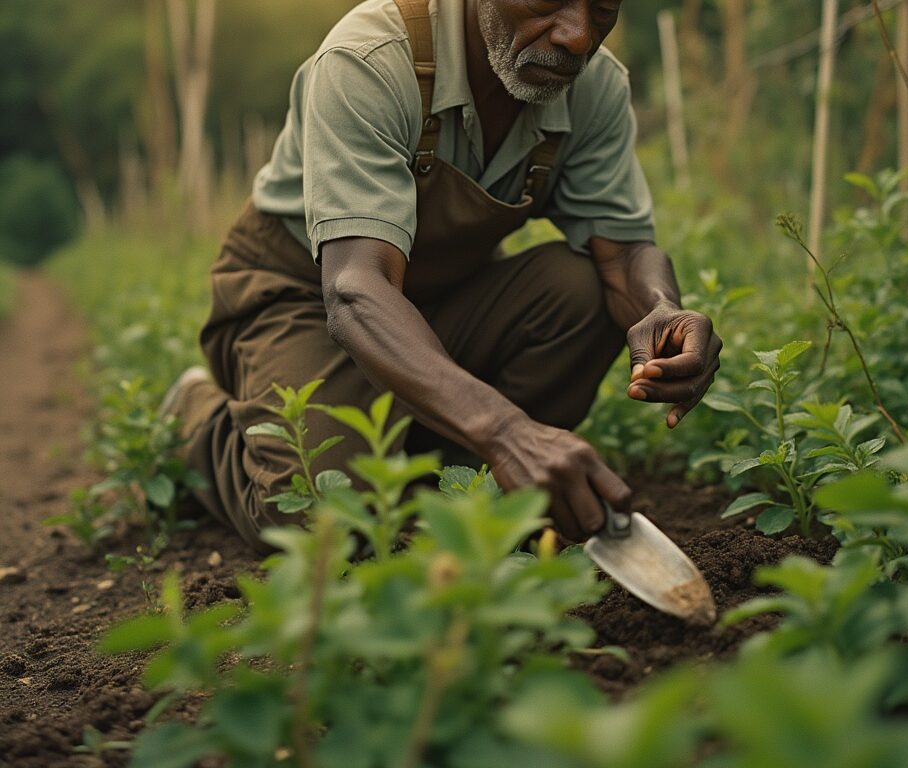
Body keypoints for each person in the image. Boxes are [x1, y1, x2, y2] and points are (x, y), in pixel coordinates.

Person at [164, 0, 723, 552]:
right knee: (323, 515)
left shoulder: (593, 85)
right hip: (300, 297)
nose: (578, 36)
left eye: (601, 7)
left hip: (433, 301)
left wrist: (662, 310)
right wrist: (507, 432)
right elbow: (354, 292)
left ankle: (450, 477)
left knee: (578, 290)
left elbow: (623, 256)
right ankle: (193, 415)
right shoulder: (369, 59)